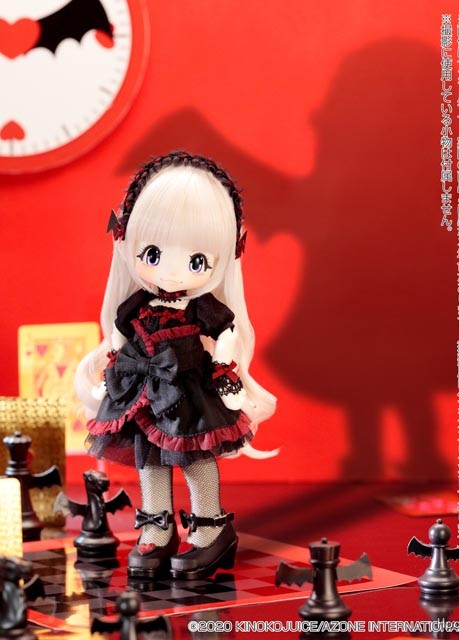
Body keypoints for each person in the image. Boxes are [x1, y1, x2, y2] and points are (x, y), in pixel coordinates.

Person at [75, 151, 276, 579]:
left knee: (194, 455)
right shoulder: (137, 303)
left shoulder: (200, 307)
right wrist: (113, 369)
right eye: (152, 253)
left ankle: (211, 528)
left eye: (196, 261)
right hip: (142, 390)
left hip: (187, 390)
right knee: (148, 457)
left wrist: (224, 371)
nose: (170, 273)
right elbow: (119, 334)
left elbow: (226, 332)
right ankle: (157, 527)